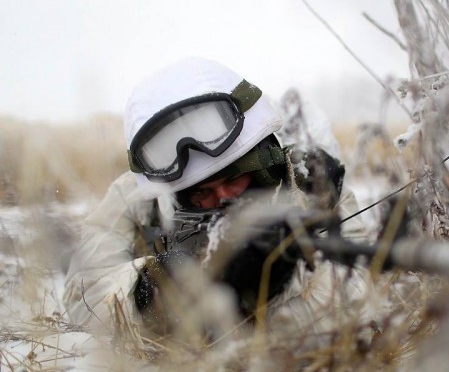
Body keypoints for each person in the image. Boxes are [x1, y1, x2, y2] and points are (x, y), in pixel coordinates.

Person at [63, 57, 376, 337]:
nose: (223, 198)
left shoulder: (312, 185)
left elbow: (360, 296)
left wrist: (278, 284)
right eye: (202, 192)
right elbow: (83, 296)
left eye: (235, 178)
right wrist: (150, 291)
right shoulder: (135, 196)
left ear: (263, 167)